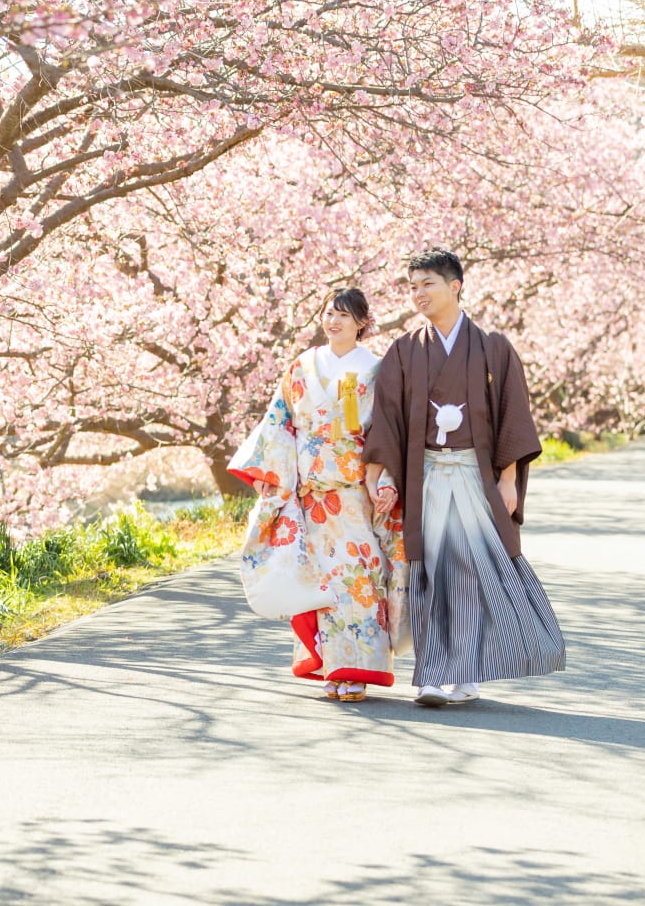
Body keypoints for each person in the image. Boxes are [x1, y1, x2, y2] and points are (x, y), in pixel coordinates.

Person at [362, 248, 565, 706]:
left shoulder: (493, 346)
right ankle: (433, 673)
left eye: (427, 284)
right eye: (412, 286)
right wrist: (381, 472)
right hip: (428, 472)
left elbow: (513, 414)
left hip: (475, 474)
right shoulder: (405, 350)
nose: (418, 294)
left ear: (455, 286)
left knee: (473, 569)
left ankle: (467, 672)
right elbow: (388, 417)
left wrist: (508, 480)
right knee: (431, 569)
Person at [228, 288, 409, 702]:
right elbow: (280, 424)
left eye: (345, 315)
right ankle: (333, 665)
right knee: (322, 582)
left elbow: (389, 430)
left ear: (363, 322)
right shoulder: (302, 366)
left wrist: (386, 479)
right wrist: (272, 479)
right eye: (329, 313)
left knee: (361, 576)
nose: (334, 321)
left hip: (356, 492)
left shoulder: (379, 369)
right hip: (312, 495)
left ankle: (360, 670)